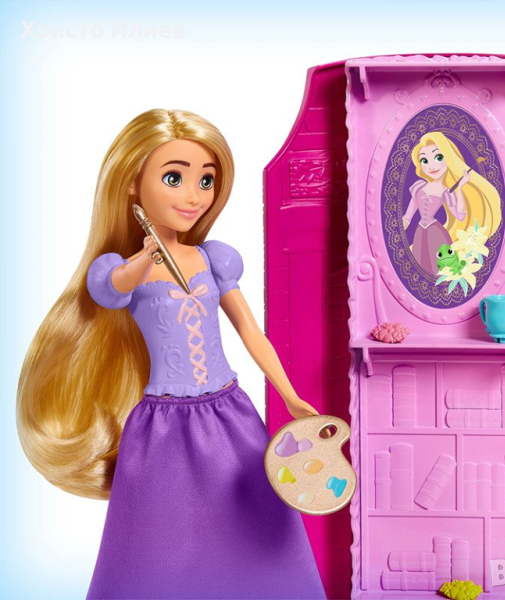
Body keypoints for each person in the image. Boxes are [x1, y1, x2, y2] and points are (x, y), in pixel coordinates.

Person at [17, 109, 326, 600]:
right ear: (132, 183)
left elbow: (251, 332)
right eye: (174, 178)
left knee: (256, 523)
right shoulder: (119, 269)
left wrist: (289, 395)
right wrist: (146, 257)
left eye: (206, 180)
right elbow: (114, 288)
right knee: (156, 539)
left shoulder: (212, 258)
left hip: (229, 412)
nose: (194, 196)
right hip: (163, 423)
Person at [403, 131, 501, 275]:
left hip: (436, 234)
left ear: (448, 158)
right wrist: (402, 226)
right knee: (420, 265)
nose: (431, 166)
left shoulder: (446, 192)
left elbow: (460, 215)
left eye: (438, 157)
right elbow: (408, 214)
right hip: (420, 233)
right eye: (424, 160)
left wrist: (460, 188)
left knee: (438, 267)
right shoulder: (418, 187)